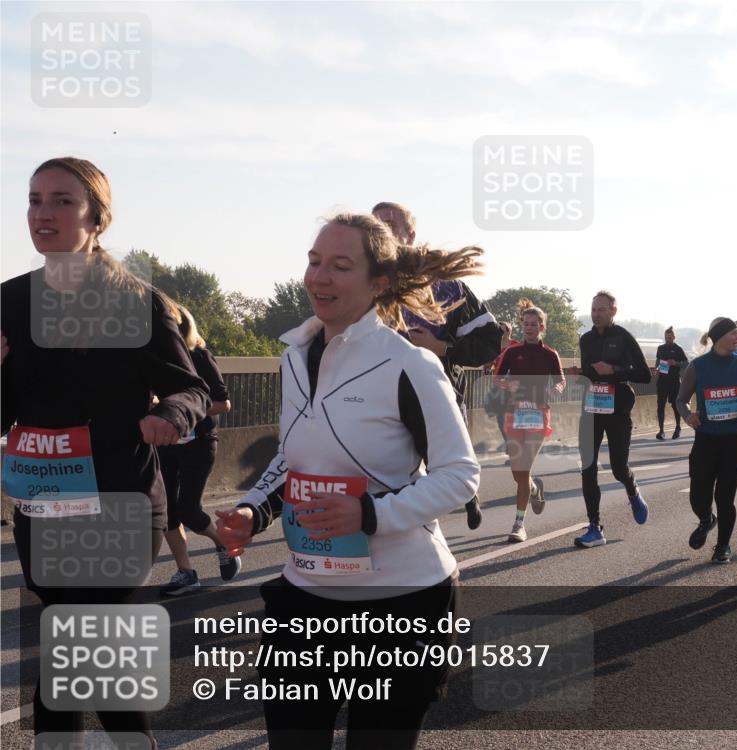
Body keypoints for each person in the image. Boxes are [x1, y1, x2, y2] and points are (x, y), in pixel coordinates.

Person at [214, 212, 480, 750]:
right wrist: (253, 511)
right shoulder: (293, 358)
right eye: (314, 262)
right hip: (307, 592)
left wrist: (369, 516)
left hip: (401, 600)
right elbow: (292, 457)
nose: (319, 278)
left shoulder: (410, 365)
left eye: (340, 266)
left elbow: (460, 475)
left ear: (378, 283)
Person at [1, 157, 209, 746]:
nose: (43, 214)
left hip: (119, 499)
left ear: (96, 218)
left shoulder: (137, 301)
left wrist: (168, 415)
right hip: (43, 505)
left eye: (62, 201)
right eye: (35, 200)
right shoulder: (10, 301)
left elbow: (192, 387)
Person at [372, 201, 501, 530]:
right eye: (375, 223)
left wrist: (441, 347)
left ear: (410, 235)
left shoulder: (445, 284)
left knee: (443, 467)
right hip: (380, 396)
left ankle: (467, 496)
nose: (382, 228)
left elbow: (490, 341)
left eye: (390, 223)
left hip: (435, 391)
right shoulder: (362, 284)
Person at [157, 302, 239, 595]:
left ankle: (224, 544)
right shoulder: (157, 359)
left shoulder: (199, 355)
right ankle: (186, 572)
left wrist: (183, 411)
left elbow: (223, 403)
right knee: (166, 512)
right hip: (166, 442)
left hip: (199, 443)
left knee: (189, 510)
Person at [675, 318, 737, 563]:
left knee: (725, 497)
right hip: (706, 438)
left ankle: (723, 545)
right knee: (698, 495)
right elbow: (680, 400)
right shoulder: (698, 366)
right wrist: (688, 416)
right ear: (719, 337)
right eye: (735, 334)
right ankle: (707, 519)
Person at [564, 291, 651, 548]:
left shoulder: (624, 337)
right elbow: (590, 372)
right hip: (591, 408)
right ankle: (595, 527)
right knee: (587, 467)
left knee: (617, 468)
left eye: (601, 309)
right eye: (593, 309)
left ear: (613, 311)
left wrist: (615, 370)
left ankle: (632, 490)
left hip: (618, 410)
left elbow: (645, 374)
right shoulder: (586, 339)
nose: (596, 314)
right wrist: (579, 373)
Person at [493, 299, 565, 542]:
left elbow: (561, 380)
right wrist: (507, 384)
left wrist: (556, 389)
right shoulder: (512, 352)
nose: (529, 327)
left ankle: (518, 523)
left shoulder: (550, 354)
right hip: (514, 414)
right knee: (518, 474)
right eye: (526, 324)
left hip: (537, 414)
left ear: (542, 327)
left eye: (534, 324)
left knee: (523, 468)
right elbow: (496, 378)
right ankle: (534, 489)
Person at [484, 321, 517, 457]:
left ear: (509, 332)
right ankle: (510, 445)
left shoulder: (515, 345)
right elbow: (487, 367)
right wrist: (488, 363)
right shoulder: (494, 347)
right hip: (499, 387)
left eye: (504, 331)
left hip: (515, 387)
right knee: (500, 419)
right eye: (499, 331)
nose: (502, 334)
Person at [654, 326, 688, 440]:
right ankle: (661, 431)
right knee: (660, 406)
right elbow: (658, 361)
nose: (667, 339)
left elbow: (686, 363)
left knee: (675, 405)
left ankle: (678, 427)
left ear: (674, 337)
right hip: (663, 381)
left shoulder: (678, 349)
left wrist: (675, 363)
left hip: (674, 381)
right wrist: (656, 369)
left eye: (669, 337)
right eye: (666, 338)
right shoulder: (660, 348)